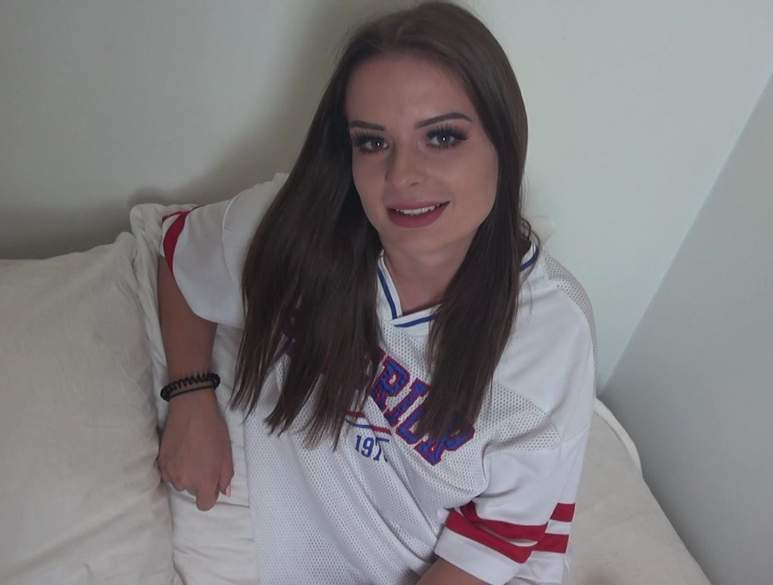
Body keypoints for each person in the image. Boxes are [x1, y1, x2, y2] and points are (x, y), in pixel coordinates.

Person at [156, 2, 596, 584]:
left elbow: (495, 544)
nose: (402, 176)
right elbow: (178, 256)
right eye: (372, 143)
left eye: (442, 136)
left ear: (504, 143)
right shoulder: (294, 232)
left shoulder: (550, 332)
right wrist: (190, 396)